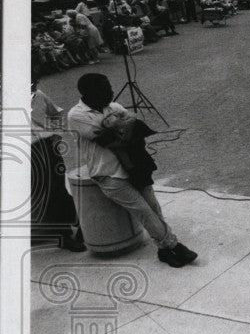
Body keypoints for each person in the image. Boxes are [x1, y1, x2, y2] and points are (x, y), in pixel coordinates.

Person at [67, 73, 197, 268]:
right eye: (105, 89)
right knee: (144, 211)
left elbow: (134, 130)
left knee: (153, 207)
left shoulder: (114, 106)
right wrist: (123, 127)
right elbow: (109, 140)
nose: (111, 92)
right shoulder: (77, 115)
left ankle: (164, 249)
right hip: (107, 173)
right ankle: (174, 245)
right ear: (89, 94)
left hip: (134, 167)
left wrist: (121, 128)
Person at [31, 78, 86, 251]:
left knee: (57, 189)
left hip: (47, 147)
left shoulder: (38, 95)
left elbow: (54, 114)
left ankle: (76, 225)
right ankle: (68, 230)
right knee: (43, 193)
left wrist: (56, 134)